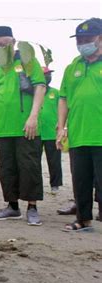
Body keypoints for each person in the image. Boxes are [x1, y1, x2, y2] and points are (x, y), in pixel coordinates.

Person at [0, 26, 46, 226]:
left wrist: (33, 116)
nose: (2, 47)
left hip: (26, 126)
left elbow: (40, 86)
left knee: (29, 165)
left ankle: (32, 207)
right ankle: (12, 206)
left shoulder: (27, 61)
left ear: (14, 41)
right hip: (2, 128)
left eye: (5, 43)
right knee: (6, 167)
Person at [57, 18, 102, 231]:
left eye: (88, 38)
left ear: (100, 38)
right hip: (78, 132)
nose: (83, 42)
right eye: (80, 39)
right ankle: (83, 220)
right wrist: (61, 127)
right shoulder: (72, 67)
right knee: (81, 180)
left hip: (100, 133)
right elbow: (64, 98)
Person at [38, 66, 62, 192]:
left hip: (52, 132)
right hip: (36, 132)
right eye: (45, 74)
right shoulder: (34, 93)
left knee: (54, 160)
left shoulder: (56, 93)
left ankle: (55, 184)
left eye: (49, 74)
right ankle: (37, 184)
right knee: (34, 161)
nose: (48, 77)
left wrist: (61, 125)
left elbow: (62, 109)